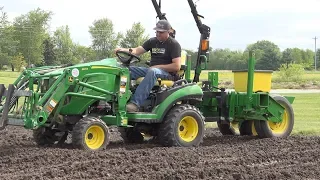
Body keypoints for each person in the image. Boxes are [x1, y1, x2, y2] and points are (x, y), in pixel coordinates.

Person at [114, 20, 182, 112]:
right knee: (125, 70)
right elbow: (137, 51)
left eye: (161, 32)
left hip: (167, 73)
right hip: (152, 70)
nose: (158, 34)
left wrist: (157, 67)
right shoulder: (152, 41)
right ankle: (117, 97)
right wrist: (123, 49)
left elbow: (176, 66)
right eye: (157, 31)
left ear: (168, 32)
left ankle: (135, 104)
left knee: (152, 71)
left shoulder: (174, 44)